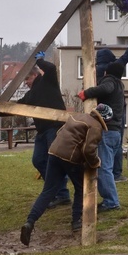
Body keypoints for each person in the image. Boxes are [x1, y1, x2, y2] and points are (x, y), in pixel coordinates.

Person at [20, 104, 111, 246]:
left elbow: (60, 132)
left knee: (48, 191)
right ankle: (76, 221)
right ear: (105, 119)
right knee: (80, 189)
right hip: (70, 158)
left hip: (54, 152)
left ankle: (30, 222)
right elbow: (88, 150)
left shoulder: (76, 116)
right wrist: (95, 163)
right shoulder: (96, 127)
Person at [18, 52, 70, 208]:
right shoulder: (30, 94)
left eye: (27, 79)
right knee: (38, 160)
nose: (26, 83)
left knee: (55, 161)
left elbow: (52, 67)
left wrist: (39, 60)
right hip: (42, 132)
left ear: (34, 75)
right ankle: (58, 191)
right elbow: (17, 107)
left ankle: (61, 194)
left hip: (55, 127)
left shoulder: (48, 81)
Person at [95, 25, 128, 183]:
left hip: (97, 110)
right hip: (116, 110)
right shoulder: (113, 67)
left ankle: (98, 168)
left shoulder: (93, 70)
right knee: (116, 141)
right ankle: (116, 173)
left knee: (99, 142)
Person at [77, 61, 125, 212]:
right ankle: (109, 200)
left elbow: (105, 88)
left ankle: (111, 202)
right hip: (115, 132)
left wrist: (86, 93)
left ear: (106, 73)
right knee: (105, 167)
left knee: (104, 168)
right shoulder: (120, 86)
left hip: (107, 131)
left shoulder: (110, 81)